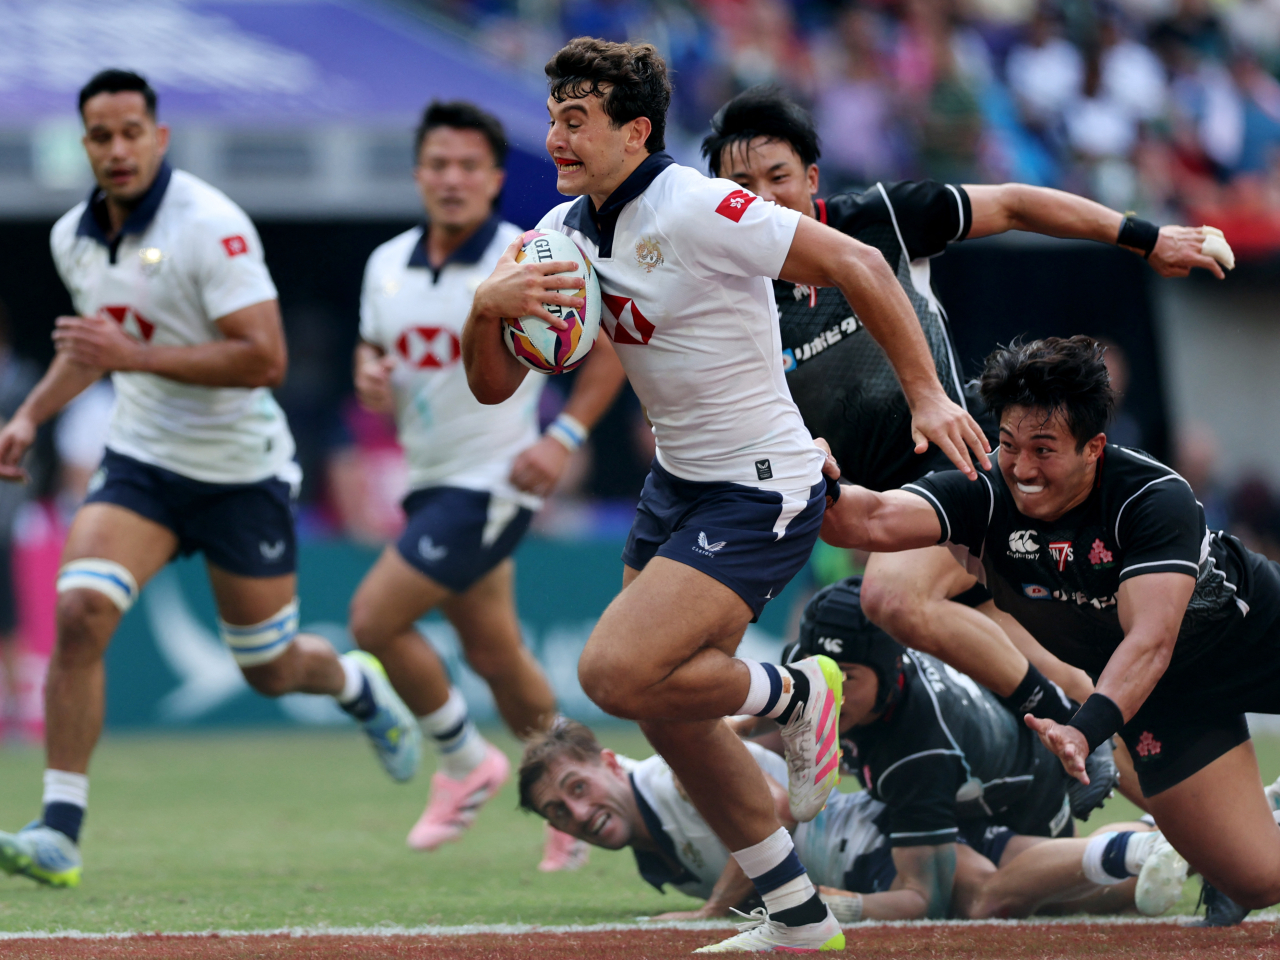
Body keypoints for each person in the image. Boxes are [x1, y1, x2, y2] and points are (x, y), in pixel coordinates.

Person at [461, 37, 990, 953]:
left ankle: (794, 692)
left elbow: (861, 266)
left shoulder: (700, 205)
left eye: (575, 120)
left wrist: (928, 394)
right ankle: (796, 917)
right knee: (669, 712)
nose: (554, 136)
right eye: (551, 117)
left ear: (635, 130)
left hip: (761, 483)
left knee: (612, 676)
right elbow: (493, 386)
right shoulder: (560, 234)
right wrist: (485, 308)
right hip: (679, 484)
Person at [701, 85, 1231, 810]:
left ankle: (1051, 710)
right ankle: (1213, 848)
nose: (762, 199)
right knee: (1072, 679)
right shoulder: (730, 300)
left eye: (777, 177)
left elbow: (1014, 204)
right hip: (888, 516)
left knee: (891, 599)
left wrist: (1146, 238)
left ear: (812, 179)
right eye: (740, 187)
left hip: (968, 472)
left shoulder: (880, 219)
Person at [0, 70, 419, 889]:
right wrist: (32, 416)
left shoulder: (211, 225)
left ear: (159, 137)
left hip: (239, 475)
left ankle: (352, 682)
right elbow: (95, 348)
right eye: (100, 135)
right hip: (143, 465)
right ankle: (60, 828)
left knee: (268, 667)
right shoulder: (72, 237)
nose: (117, 149)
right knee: (80, 611)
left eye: (131, 132)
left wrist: (135, 358)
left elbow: (266, 357)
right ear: (84, 144)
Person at [820, 335, 1280, 922]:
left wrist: (1083, 730)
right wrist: (819, 482)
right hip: (1170, 700)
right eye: (1010, 445)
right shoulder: (983, 491)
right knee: (1258, 880)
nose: (1023, 468)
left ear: (1094, 448)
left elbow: (1150, 642)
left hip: (1255, 639)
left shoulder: (1150, 498)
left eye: (1045, 449)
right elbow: (871, 520)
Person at [349, 100, 626, 869]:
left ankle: (465, 762)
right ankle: (586, 791)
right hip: (428, 479)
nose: (452, 178)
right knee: (498, 655)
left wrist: (563, 435)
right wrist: (369, 376)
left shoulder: (529, 254)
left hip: (493, 482)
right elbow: (372, 356)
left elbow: (608, 349)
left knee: (373, 622)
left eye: (469, 165)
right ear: (418, 174)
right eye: (438, 164)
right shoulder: (385, 264)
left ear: (496, 176)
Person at [517, 718, 1186, 922]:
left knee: (985, 897)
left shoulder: (671, 772)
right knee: (1053, 903)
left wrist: (714, 911)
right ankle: (1197, 852)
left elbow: (771, 812)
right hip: (866, 838)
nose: (576, 813)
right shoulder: (648, 827)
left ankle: (1140, 849)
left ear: (608, 761)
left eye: (576, 788)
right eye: (559, 812)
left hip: (868, 841)